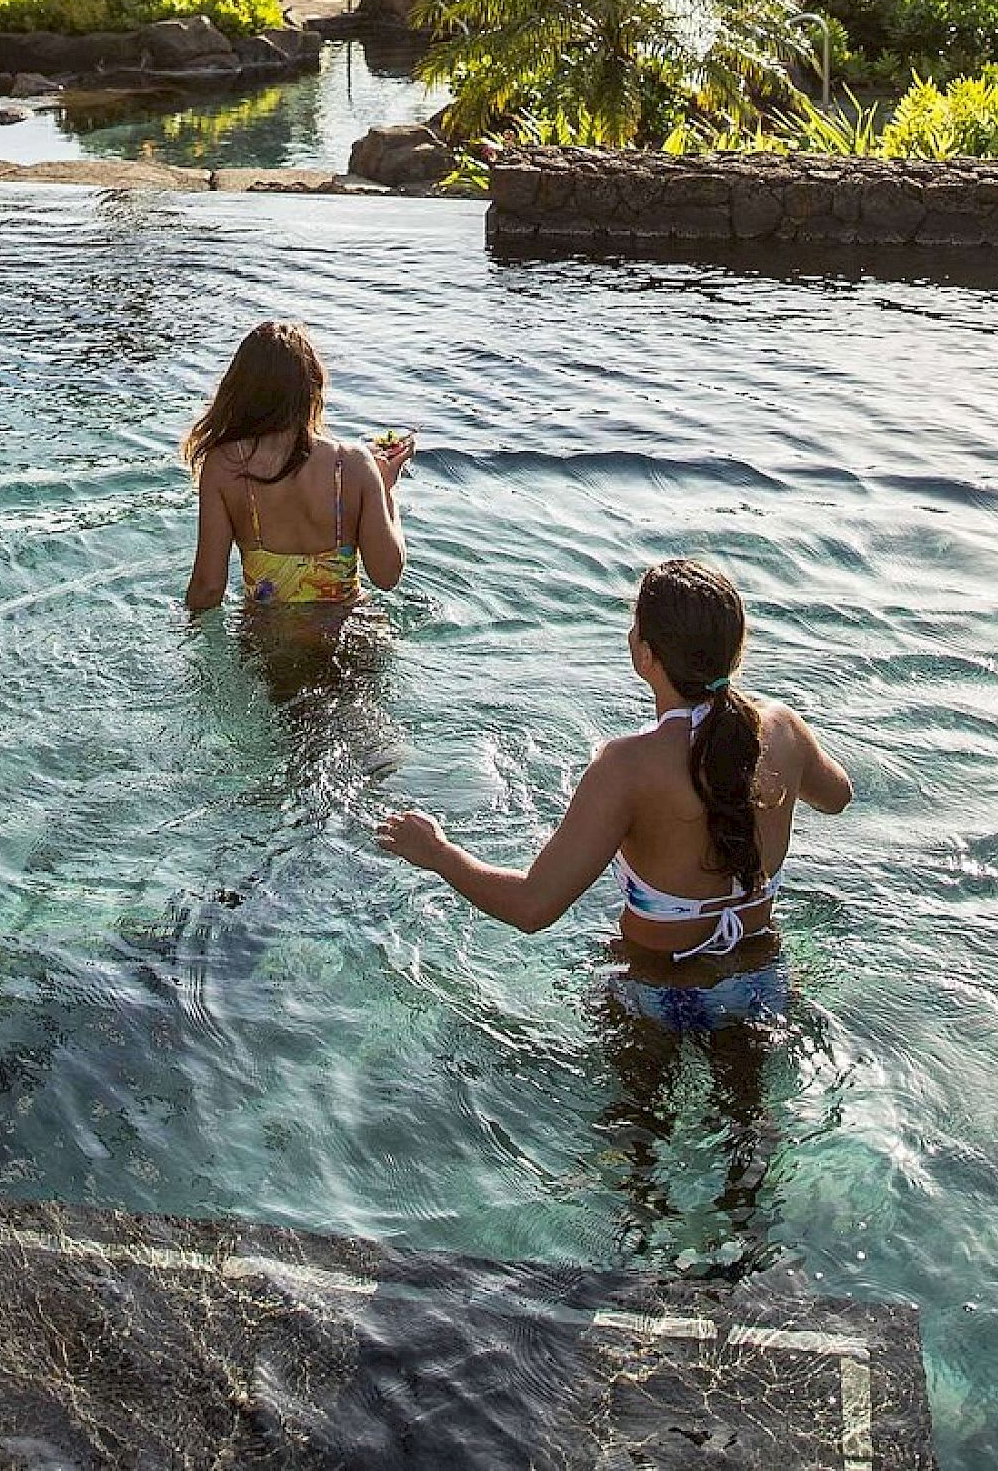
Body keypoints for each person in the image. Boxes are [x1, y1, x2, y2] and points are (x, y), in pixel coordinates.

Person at [377, 556, 851, 1031]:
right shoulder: (782, 730)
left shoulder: (626, 767)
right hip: (760, 976)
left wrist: (438, 853)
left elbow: (532, 907)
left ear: (645, 655)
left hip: (654, 989)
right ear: (737, 648)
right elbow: (837, 797)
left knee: (629, 1088)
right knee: (749, 1081)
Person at [183, 320, 411, 615]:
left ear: (239, 389)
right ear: (313, 389)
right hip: (349, 630)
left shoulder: (225, 466)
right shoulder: (355, 464)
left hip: (266, 635)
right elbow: (387, 576)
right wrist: (386, 488)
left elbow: (208, 587)